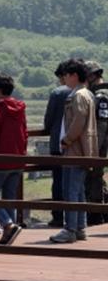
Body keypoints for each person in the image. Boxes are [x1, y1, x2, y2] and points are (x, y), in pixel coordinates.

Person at [50, 58, 98, 243]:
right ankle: (79, 227)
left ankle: (70, 229)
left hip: (74, 149)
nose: (64, 79)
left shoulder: (78, 95)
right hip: (83, 149)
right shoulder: (87, 94)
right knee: (78, 191)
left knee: (70, 190)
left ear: (74, 76)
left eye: (67, 75)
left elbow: (78, 122)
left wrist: (66, 140)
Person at [0, 74, 27, 245]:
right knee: (9, 198)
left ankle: (8, 225)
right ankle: (10, 233)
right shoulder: (20, 109)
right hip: (17, 160)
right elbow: (25, 134)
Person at [43, 62, 70, 228]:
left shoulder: (57, 93)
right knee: (74, 182)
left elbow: (48, 120)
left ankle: (58, 216)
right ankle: (76, 216)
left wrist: (48, 128)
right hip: (76, 145)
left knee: (58, 181)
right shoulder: (85, 92)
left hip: (58, 144)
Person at [85, 61, 108, 225]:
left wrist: (92, 151)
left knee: (94, 175)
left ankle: (95, 212)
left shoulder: (99, 96)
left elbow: (100, 124)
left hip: (99, 141)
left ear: (92, 76)